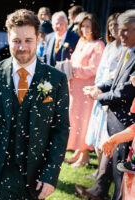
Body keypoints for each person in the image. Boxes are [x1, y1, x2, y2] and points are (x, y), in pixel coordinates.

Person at [0, 9, 69, 200]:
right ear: (8, 39)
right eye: (16, 40)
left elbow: (60, 129)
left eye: (28, 40)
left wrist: (50, 175)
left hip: (36, 175)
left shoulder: (56, 78)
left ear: (38, 39)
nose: (22, 47)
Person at [76, 9, 135, 200]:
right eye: (121, 29)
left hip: (127, 125)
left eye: (126, 30)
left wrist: (100, 97)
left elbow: (125, 91)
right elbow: (115, 81)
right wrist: (97, 88)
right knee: (116, 171)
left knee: (123, 176)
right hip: (117, 123)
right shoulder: (128, 51)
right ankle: (100, 192)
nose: (120, 33)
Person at [85, 13, 122, 178]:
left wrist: (105, 94)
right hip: (99, 92)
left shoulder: (127, 48)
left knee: (106, 136)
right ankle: (100, 171)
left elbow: (116, 75)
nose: (113, 28)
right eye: (111, 25)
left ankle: (104, 175)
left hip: (110, 95)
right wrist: (95, 88)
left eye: (116, 25)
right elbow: (101, 71)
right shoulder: (109, 46)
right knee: (97, 133)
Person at [66, 14, 105, 168]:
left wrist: (74, 69)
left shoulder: (98, 45)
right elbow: (74, 61)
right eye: (83, 26)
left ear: (94, 27)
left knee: (84, 120)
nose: (84, 29)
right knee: (74, 119)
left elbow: (94, 69)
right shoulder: (81, 42)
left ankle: (85, 156)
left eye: (88, 26)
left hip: (86, 88)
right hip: (74, 87)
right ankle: (78, 151)